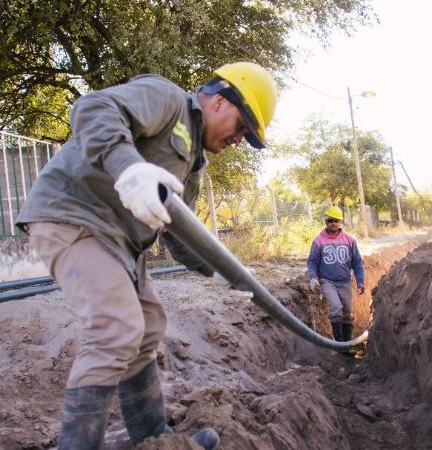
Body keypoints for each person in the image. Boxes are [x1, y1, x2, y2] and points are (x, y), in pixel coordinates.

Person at [15, 62, 278, 450]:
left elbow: (179, 236)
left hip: (118, 243)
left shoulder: (193, 166)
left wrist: (222, 272)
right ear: (221, 101)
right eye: (241, 126)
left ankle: (153, 439)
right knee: (114, 327)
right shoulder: (167, 99)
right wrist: (129, 169)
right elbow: (92, 109)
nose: (239, 139)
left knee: (148, 327)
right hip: (72, 217)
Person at [306, 206, 365, 343]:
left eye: (336, 220)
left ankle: (346, 343)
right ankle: (338, 342)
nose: (333, 223)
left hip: (345, 282)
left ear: (340, 222)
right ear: (326, 221)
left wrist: (360, 281)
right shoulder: (318, 241)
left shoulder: (350, 241)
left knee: (347, 314)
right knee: (336, 307)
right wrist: (313, 277)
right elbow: (312, 262)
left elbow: (357, 263)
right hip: (327, 281)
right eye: (330, 220)